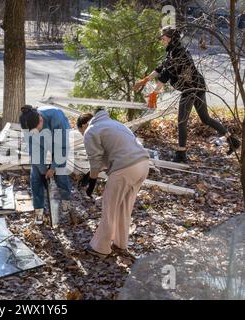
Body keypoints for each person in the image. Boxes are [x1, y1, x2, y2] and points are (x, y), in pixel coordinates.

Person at [134, 26, 241, 162]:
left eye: (163, 37)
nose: (161, 39)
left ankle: (181, 154)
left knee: (182, 121)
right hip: (198, 86)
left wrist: (154, 93)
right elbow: (161, 68)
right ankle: (233, 140)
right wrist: (145, 80)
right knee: (205, 118)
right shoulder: (174, 51)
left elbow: (165, 75)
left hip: (191, 89)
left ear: (171, 38)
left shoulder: (177, 53)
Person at [77, 110, 149, 259]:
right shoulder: (114, 124)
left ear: (84, 125)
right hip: (143, 165)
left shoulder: (91, 130)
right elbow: (113, 153)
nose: (83, 136)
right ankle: (120, 244)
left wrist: (92, 183)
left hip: (125, 169)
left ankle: (101, 248)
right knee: (124, 207)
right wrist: (89, 174)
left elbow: (95, 159)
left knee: (109, 207)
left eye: (80, 132)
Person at [19, 105, 72, 225]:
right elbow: (34, 152)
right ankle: (39, 211)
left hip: (58, 140)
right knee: (36, 176)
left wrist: (52, 168)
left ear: (41, 119)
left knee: (60, 172)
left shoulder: (57, 118)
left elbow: (62, 149)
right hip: (40, 143)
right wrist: (43, 172)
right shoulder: (26, 123)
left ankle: (66, 203)